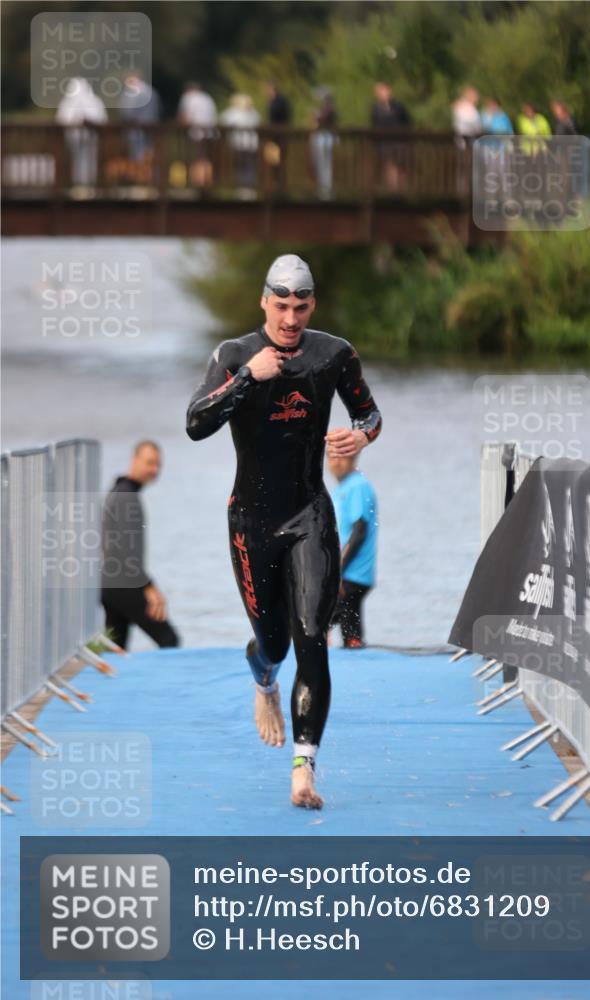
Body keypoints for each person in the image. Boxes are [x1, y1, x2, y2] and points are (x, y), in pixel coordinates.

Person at [186, 254, 382, 809]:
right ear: (264, 302)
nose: (291, 317)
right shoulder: (234, 355)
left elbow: (369, 414)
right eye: (281, 306)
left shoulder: (333, 354)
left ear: (311, 304)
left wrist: (363, 438)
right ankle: (264, 682)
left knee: (311, 638)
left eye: (300, 306)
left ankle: (304, 771)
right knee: (272, 642)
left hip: (309, 515)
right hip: (250, 521)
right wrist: (250, 378)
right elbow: (196, 423)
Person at [100, 441, 180, 650]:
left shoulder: (118, 489)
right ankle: (170, 683)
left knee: (115, 648)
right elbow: (127, 551)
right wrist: (150, 588)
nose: (154, 470)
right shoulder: (127, 497)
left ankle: (109, 682)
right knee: (169, 639)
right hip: (124, 582)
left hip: (109, 584)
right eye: (149, 463)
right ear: (134, 461)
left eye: (158, 465)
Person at [328, 454, 378, 648]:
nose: (336, 463)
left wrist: (338, 570)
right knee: (350, 630)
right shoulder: (342, 488)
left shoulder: (358, 486)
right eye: (331, 458)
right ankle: (353, 648)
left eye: (341, 458)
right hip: (346, 573)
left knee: (320, 618)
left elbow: (359, 531)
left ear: (353, 459)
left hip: (353, 573)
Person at [55, 77, 107, 188]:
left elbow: (100, 119)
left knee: (87, 159)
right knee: (79, 160)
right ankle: (80, 182)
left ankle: (86, 183)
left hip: (88, 138)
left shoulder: (92, 101)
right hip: (77, 138)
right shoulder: (93, 101)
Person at [370, 82, 411, 192]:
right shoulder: (376, 108)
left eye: (384, 90)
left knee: (402, 168)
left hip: (400, 142)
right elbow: (374, 125)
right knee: (390, 167)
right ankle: (394, 192)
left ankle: (402, 191)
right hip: (385, 143)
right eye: (380, 92)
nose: (383, 94)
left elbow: (407, 122)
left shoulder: (399, 106)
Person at [119, 71, 162, 172]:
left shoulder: (133, 92)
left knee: (137, 154)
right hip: (152, 127)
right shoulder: (151, 91)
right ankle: (153, 176)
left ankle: (140, 177)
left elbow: (127, 112)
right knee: (150, 153)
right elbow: (159, 109)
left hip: (136, 130)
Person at [177, 82, 218, 186]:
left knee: (197, 158)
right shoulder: (208, 98)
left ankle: (198, 183)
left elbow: (185, 117)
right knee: (205, 158)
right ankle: (207, 182)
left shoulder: (188, 98)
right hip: (210, 133)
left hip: (196, 132)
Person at [220, 93, 261, 193]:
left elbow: (222, 123)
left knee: (240, 166)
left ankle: (243, 189)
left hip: (238, 145)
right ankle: (248, 189)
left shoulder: (231, 113)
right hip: (252, 146)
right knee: (249, 167)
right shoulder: (254, 114)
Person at [310, 86, 338, 198]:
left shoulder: (329, 109)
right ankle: (323, 188)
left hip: (326, 138)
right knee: (321, 164)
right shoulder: (327, 108)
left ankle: (326, 189)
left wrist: (316, 117)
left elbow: (320, 121)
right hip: (322, 137)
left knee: (325, 164)